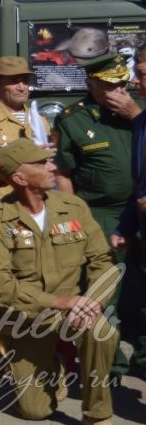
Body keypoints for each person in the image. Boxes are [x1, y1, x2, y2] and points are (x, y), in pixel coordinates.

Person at [0, 138, 118, 425]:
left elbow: (102, 262)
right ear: (19, 177)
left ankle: (97, 415)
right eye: (42, 163)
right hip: (28, 314)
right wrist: (55, 302)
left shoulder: (73, 207)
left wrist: (92, 303)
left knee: (102, 332)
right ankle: (51, 367)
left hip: (75, 305)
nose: (52, 166)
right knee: (35, 412)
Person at [54, 53, 142, 377]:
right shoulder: (73, 118)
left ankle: (144, 359)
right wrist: (74, 220)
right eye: (109, 85)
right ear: (91, 85)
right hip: (103, 214)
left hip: (143, 208)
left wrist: (136, 115)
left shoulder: (139, 110)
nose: (119, 90)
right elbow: (64, 173)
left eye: (122, 82)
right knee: (107, 292)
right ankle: (111, 365)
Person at [0, 57, 52, 207]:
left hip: (40, 203)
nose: (22, 87)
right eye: (14, 81)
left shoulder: (40, 121)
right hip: (4, 206)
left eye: (25, 81)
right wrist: (19, 163)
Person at [112, 44, 146, 380]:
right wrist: (125, 225)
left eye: (143, 74)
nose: (136, 81)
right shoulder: (141, 121)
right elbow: (140, 184)